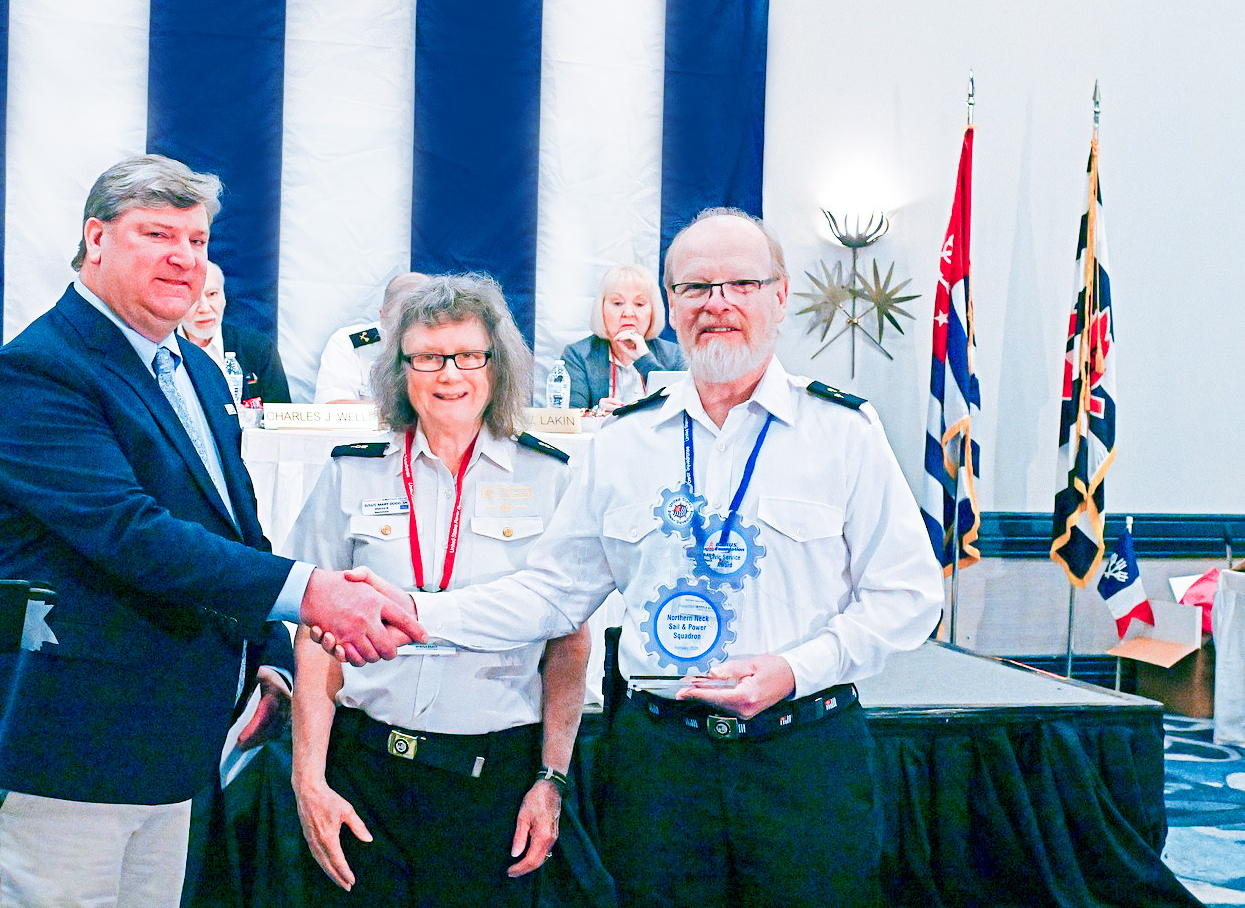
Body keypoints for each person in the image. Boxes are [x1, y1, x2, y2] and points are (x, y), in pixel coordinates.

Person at [331, 209, 943, 907]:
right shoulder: (623, 442)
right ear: (669, 307)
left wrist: (796, 669)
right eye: (695, 288)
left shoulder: (843, 432)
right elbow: (552, 596)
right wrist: (413, 611)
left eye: (741, 284)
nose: (718, 304)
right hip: (661, 769)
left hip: (802, 753)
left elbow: (908, 596)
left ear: (780, 296)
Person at [0, 154, 422, 908]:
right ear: (97, 239)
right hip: (69, 749)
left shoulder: (201, 374)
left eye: (198, 240)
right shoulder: (38, 372)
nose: (183, 257)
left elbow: (236, 528)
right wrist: (311, 594)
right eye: (157, 234)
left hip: (177, 747)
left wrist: (271, 658)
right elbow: (131, 532)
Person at [289, 274, 589, 906]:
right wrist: (309, 777)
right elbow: (314, 633)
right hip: (366, 773)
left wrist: (551, 779)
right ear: (400, 371)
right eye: (426, 357)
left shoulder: (551, 476)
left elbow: (569, 643)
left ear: (496, 364)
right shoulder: (353, 469)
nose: (448, 373)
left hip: (494, 784)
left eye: (467, 355)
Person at [559, 263, 685, 413]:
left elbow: (680, 409)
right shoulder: (578, 355)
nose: (628, 313)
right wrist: (596, 412)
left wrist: (644, 359)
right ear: (602, 309)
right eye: (617, 303)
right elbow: (568, 416)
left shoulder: (675, 354)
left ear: (653, 311)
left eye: (639, 304)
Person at [181, 260, 293, 404]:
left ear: (224, 298)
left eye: (212, 294)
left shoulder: (257, 348)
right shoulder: (162, 349)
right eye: (194, 297)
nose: (205, 308)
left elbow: (280, 416)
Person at [313, 272, 428, 403]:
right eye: (401, 325)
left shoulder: (451, 348)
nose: (410, 335)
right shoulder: (349, 343)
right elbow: (333, 409)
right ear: (382, 316)